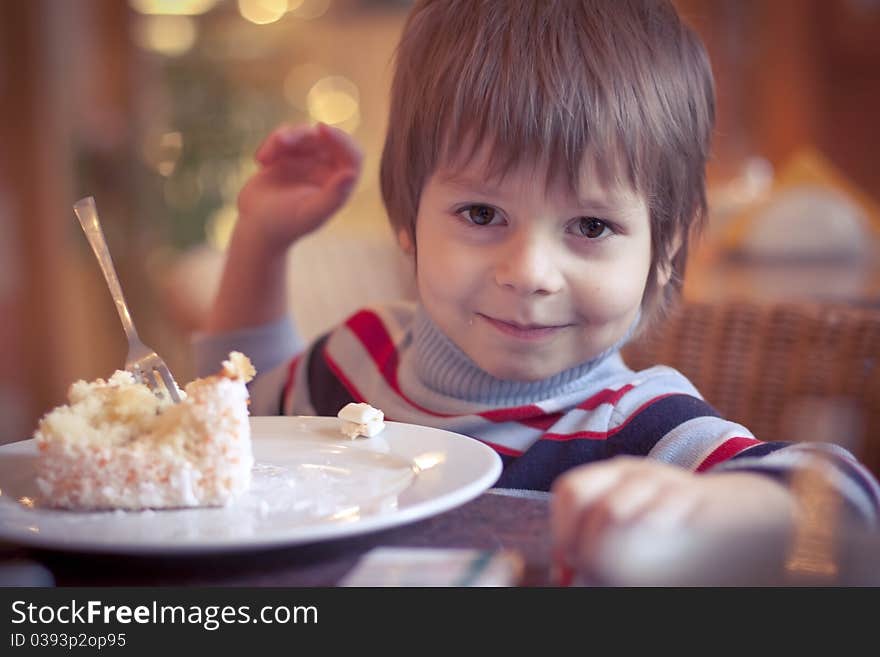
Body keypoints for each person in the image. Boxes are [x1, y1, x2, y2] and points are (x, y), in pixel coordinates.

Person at [196, 0, 880, 581]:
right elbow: (238, 424)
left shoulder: (640, 426)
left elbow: (848, 503)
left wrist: (716, 510)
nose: (529, 271)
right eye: (482, 214)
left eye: (590, 225)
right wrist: (261, 240)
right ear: (407, 221)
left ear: (664, 253)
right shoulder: (356, 358)